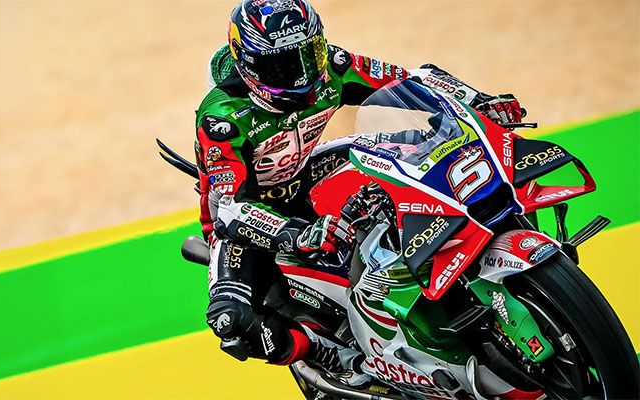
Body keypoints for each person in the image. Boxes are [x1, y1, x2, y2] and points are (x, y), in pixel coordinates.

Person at [195, 0, 524, 376]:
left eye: (309, 54)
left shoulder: (333, 67)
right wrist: (297, 234)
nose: (303, 75)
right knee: (230, 320)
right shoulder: (221, 119)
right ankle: (322, 352)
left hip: (308, 172)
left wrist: (477, 101)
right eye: (284, 65)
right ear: (250, 66)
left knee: (416, 148)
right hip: (245, 219)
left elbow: (412, 79)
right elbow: (228, 209)